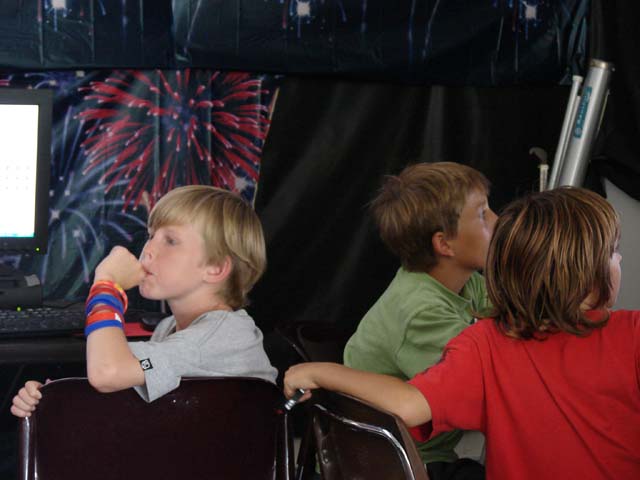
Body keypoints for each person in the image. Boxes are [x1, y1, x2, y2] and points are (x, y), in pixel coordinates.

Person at [284, 187, 640, 480]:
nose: (620, 260)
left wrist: (318, 371)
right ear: (587, 272)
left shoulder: (486, 343)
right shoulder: (632, 334)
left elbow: (408, 405)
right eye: (614, 252)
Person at [11, 185, 277, 416]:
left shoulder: (217, 337)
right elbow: (122, 380)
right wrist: (55, 397)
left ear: (216, 268)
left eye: (170, 241)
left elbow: (108, 372)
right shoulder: (169, 329)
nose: (148, 250)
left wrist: (107, 286)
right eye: (151, 236)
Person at [343, 162, 496, 476]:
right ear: (444, 244)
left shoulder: (465, 282)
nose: (498, 220)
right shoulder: (422, 312)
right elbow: (479, 392)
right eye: (483, 214)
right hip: (396, 464)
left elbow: (508, 314)